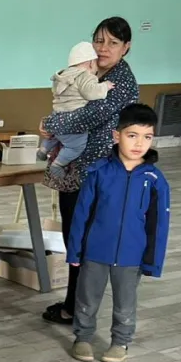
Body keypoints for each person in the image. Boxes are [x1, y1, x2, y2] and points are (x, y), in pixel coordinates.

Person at [39, 17, 139, 326]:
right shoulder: (87, 70)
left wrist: (49, 124)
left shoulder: (121, 81)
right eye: (99, 41)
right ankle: (74, 303)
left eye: (112, 43)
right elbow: (64, 102)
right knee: (74, 238)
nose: (103, 48)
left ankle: (78, 310)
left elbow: (88, 116)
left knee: (87, 244)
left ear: (126, 48)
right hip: (76, 168)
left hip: (100, 173)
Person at [67, 104, 170, 362]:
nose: (139, 143)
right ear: (117, 136)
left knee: (125, 303)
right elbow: (82, 215)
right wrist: (75, 250)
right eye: (132, 135)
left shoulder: (155, 179)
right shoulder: (98, 172)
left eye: (147, 137)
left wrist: (152, 261)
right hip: (95, 252)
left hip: (131, 255)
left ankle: (120, 342)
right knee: (87, 299)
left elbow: (158, 225)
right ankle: (83, 338)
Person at [39, 42, 114, 179]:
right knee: (75, 146)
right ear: (91, 63)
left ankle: (44, 149)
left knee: (55, 134)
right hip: (72, 119)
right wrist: (105, 86)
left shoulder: (62, 76)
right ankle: (58, 164)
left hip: (56, 115)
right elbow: (91, 93)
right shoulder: (85, 76)